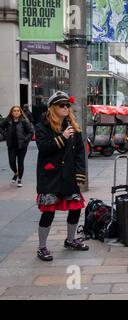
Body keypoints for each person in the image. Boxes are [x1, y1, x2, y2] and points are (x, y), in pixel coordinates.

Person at [34, 91, 89, 262]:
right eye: (61, 105)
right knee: (48, 212)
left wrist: (80, 174)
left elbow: (80, 152)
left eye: (67, 105)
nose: (65, 108)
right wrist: (62, 137)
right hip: (50, 176)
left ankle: (71, 240)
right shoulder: (42, 126)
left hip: (69, 176)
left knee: (75, 208)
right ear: (52, 108)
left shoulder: (73, 126)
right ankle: (42, 247)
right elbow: (43, 148)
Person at [0, 105, 34, 188]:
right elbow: (0, 127)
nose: (16, 112)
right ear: (12, 112)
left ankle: (19, 179)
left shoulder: (24, 121)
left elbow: (31, 132)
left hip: (22, 146)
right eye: (14, 111)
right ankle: (16, 173)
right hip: (11, 145)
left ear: (20, 112)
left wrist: (26, 139)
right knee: (12, 163)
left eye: (17, 111)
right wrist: (5, 135)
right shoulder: (8, 121)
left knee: (20, 162)